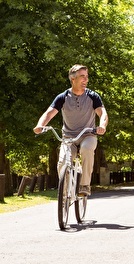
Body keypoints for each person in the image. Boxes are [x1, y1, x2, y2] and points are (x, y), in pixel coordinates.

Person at [33, 64, 108, 196]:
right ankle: (65, 191)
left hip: (88, 135)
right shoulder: (63, 97)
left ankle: (84, 185)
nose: (86, 80)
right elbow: (49, 113)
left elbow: (103, 114)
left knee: (86, 149)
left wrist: (102, 126)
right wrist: (40, 125)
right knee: (62, 162)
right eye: (82, 77)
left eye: (87, 76)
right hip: (68, 138)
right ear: (72, 79)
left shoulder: (92, 96)